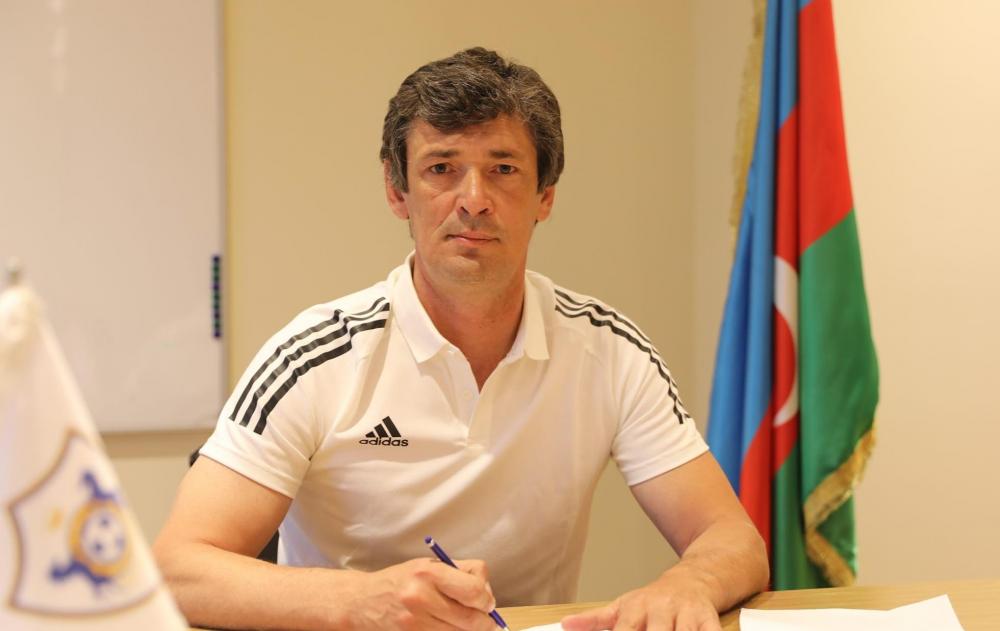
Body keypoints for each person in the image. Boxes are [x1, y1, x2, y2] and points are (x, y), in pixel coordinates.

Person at [154, 47, 768, 631]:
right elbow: (178, 569)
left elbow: (732, 538)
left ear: (545, 196)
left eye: (503, 170)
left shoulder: (609, 350)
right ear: (397, 191)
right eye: (441, 169)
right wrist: (362, 602)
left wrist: (687, 585)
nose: (474, 201)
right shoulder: (313, 357)